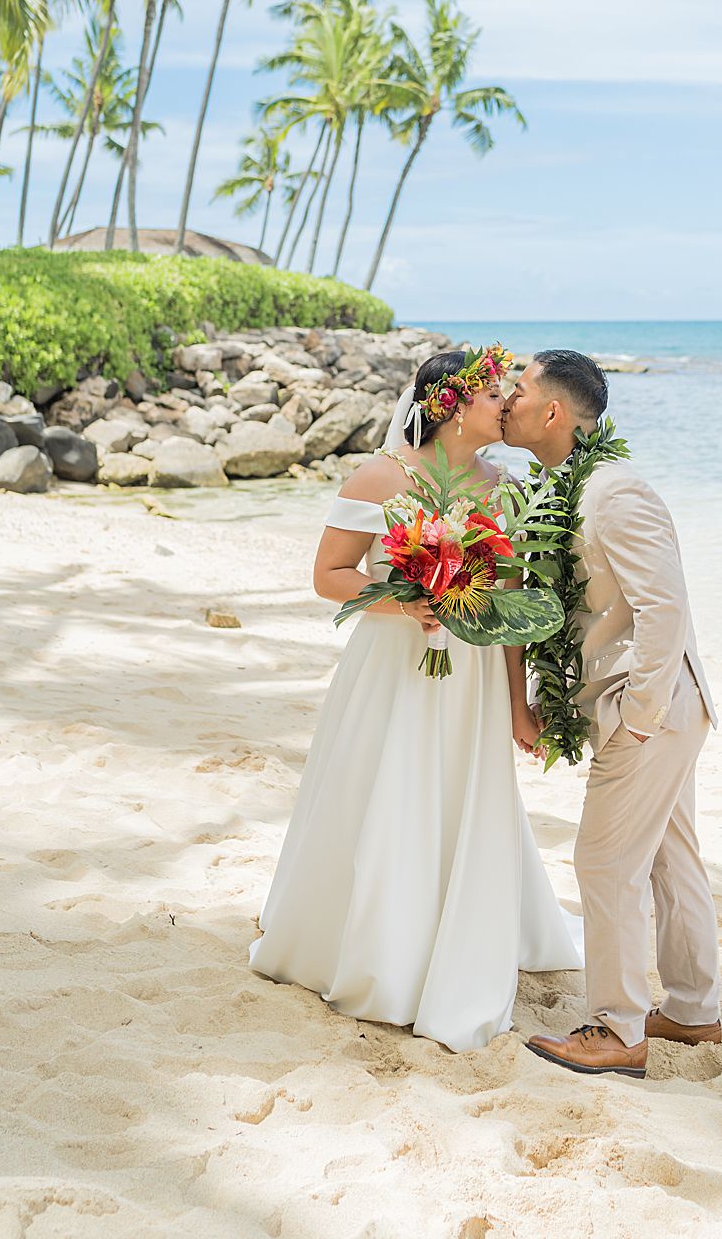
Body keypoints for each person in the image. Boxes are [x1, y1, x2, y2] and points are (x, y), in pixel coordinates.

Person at [248, 347, 581, 1053]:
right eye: (495, 394)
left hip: (474, 679)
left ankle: (453, 946)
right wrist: (410, 605)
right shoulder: (379, 476)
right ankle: (376, 953)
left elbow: (510, 604)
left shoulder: (501, 487)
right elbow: (329, 575)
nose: (508, 405)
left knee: (460, 801)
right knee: (385, 795)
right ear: (454, 405)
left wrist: (519, 706)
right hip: (390, 667)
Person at [502, 349, 722, 1078]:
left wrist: (638, 714)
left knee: (603, 862)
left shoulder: (614, 491)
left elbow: (667, 606)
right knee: (669, 859)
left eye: (521, 388)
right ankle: (693, 1012)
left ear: (554, 412)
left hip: (649, 706)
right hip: (656, 704)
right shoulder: (570, 486)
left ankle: (618, 1028)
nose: (507, 396)